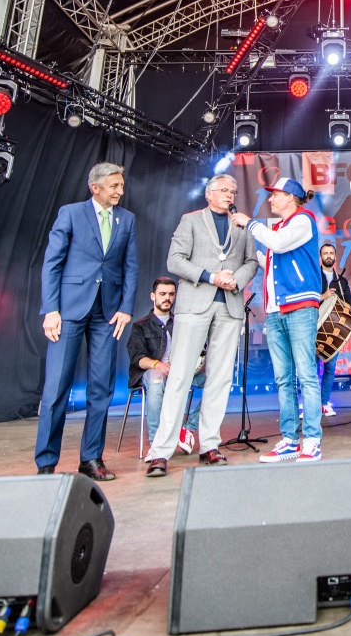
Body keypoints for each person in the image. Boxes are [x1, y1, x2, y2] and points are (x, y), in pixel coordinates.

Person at [146, 174, 258, 476]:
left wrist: (237, 279)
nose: (229, 195)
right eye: (223, 190)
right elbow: (175, 261)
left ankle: (209, 444)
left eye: (233, 191)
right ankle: (160, 452)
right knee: (180, 375)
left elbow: (252, 261)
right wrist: (210, 276)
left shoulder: (242, 224)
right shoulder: (191, 220)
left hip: (230, 306)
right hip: (195, 304)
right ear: (208, 194)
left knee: (220, 379)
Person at [35, 162, 138, 479]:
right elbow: (52, 263)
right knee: (56, 389)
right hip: (68, 311)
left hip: (107, 314)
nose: (120, 191)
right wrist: (51, 309)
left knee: (102, 389)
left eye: (121, 185)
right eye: (114, 186)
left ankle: (91, 458)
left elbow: (130, 266)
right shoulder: (71, 213)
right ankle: (46, 462)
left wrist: (126, 307)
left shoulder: (127, 219)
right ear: (95, 188)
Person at [232, 178, 323, 463]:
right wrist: (250, 253)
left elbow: (280, 245)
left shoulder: (303, 220)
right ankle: (289, 440)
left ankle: (312, 440)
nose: (271, 200)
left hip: (299, 305)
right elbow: (271, 258)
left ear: (291, 198)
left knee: (306, 375)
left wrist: (250, 223)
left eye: (276, 195)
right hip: (276, 309)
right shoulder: (280, 227)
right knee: (283, 378)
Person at [127, 278, 206, 453]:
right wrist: (158, 365)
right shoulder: (140, 326)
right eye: (162, 294)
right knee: (156, 379)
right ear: (153, 296)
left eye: (171, 294)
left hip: (180, 372)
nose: (167, 298)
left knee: (217, 381)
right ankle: (157, 444)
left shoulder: (181, 323)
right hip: (152, 373)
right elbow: (137, 358)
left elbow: (197, 351)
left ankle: (187, 428)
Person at [318, 239, 351, 415]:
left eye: (331, 253)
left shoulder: (341, 282)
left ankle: (324, 403)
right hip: (313, 330)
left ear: (335, 257)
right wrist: (323, 296)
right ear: (320, 257)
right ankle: (311, 406)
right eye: (325, 253)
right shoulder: (314, 278)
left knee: (330, 368)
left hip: (333, 332)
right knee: (309, 369)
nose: (328, 256)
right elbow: (306, 301)